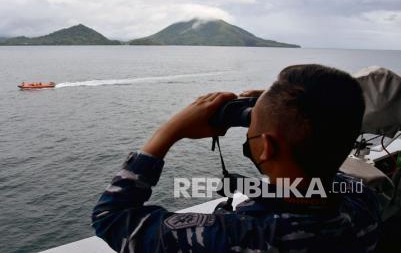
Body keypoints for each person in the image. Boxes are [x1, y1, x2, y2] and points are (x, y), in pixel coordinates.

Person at [92, 64, 381, 252]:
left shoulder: (238, 236)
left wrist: (169, 131)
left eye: (252, 130)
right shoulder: (363, 201)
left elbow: (112, 219)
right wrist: (274, 113)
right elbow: (328, 149)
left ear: (266, 147)